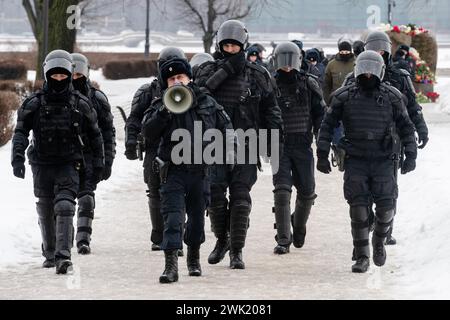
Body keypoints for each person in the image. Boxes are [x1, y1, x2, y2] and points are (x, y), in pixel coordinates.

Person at [316, 51, 417, 273]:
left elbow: (406, 126)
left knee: (386, 207)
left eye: (373, 68)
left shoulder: (392, 96)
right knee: (358, 209)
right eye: (365, 67)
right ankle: (362, 256)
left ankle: (379, 241)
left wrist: (411, 153)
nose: (369, 73)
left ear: (380, 70)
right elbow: (327, 124)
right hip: (356, 159)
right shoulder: (345, 96)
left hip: (383, 159)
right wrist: (321, 153)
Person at [195, 20, 283, 269]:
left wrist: (274, 141)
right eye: (227, 45)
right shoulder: (206, 71)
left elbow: (271, 110)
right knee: (214, 195)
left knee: (241, 197)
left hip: (248, 143)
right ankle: (221, 240)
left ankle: (237, 250)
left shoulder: (258, 74)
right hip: (214, 143)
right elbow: (197, 99)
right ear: (219, 45)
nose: (231, 49)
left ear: (242, 45)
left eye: (235, 46)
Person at [142, 54, 233, 283]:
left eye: (180, 77)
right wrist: (163, 113)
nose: (176, 82)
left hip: (200, 171)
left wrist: (229, 151)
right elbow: (148, 133)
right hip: (172, 171)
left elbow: (226, 126)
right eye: (171, 79)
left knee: (196, 220)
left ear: (189, 78)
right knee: (172, 218)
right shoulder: (160, 104)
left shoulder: (206, 101)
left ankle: (193, 259)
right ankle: (170, 266)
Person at [11, 50, 104, 274]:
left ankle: (64, 257)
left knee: (64, 206)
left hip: (69, 163)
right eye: (55, 75)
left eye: (64, 76)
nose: (59, 80)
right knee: (45, 207)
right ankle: (50, 253)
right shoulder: (34, 103)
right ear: (47, 74)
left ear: (70, 75)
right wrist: (17, 157)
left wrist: (100, 163)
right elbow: (21, 131)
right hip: (41, 163)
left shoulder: (80, 103)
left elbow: (95, 134)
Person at [342, 31, 429, 245]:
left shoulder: (399, 76)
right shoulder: (354, 76)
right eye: (374, 50)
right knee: (362, 189)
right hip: (361, 140)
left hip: (392, 140)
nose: (378, 54)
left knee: (388, 188)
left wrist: (421, 129)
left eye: (382, 50)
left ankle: (386, 228)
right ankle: (367, 220)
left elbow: (412, 107)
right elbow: (341, 106)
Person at [124, 47, 186, 255]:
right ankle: (159, 234)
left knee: (180, 193)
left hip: (182, 146)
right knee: (155, 191)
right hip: (154, 147)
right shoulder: (147, 92)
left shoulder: (191, 91)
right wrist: (131, 142)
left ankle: (176, 235)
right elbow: (134, 118)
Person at [271, 42, 325, 254]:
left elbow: (320, 113)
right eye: (283, 61)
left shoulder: (309, 83)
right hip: (279, 144)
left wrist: (322, 138)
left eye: (290, 61)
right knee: (282, 191)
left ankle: (299, 225)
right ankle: (283, 239)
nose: (286, 66)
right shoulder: (270, 85)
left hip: (302, 143)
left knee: (307, 192)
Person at [71, 53, 116, 254]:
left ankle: (83, 239)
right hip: (61, 157)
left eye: (79, 73)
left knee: (86, 198)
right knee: (60, 201)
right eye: (71, 73)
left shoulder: (97, 99)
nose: (74, 77)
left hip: (88, 155)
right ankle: (58, 238)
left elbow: (107, 132)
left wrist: (107, 161)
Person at [323, 37, 355, 104]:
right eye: (342, 52)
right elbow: (327, 85)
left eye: (347, 52)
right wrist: (327, 100)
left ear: (350, 51)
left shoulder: (356, 63)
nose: (344, 54)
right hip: (336, 98)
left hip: (352, 98)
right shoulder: (331, 65)